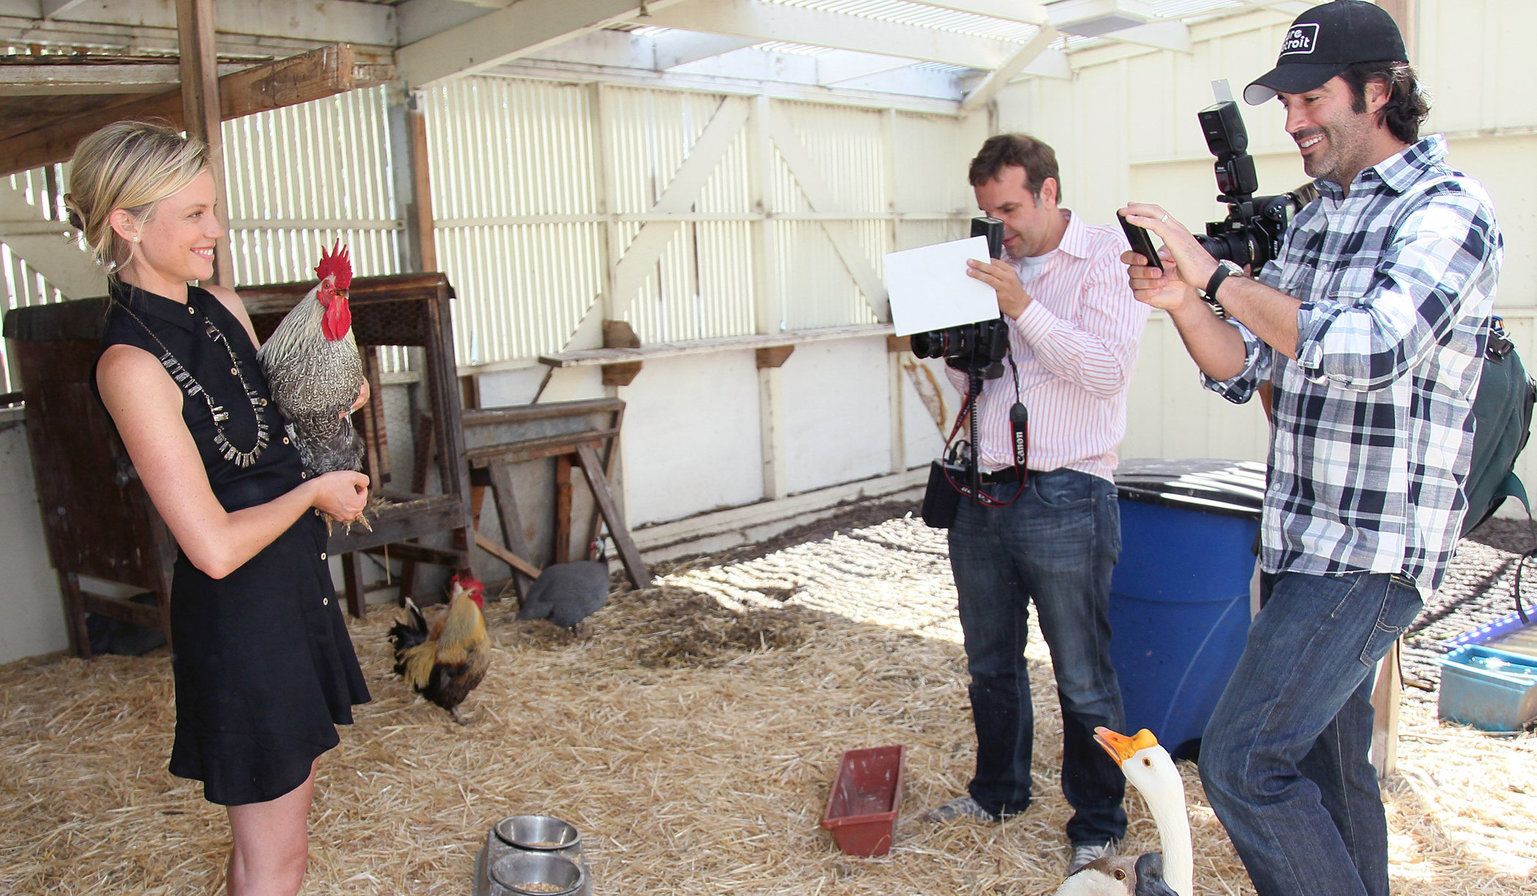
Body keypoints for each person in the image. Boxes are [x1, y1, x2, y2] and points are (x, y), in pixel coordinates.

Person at [1118, 3, 1502, 895]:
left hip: (1371, 549)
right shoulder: (1318, 217)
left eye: (1309, 98)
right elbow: (1244, 361)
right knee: (1330, 771)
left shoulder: (1448, 210)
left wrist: (1217, 275)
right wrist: (1182, 302)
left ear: (1378, 92)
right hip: (1297, 536)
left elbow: (1369, 346)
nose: (1291, 122)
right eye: (1283, 103)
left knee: (1245, 763)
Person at [67, 120, 373, 896]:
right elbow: (209, 546)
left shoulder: (223, 308)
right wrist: (313, 493)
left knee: (268, 854)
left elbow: (270, 433)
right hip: (241, 620)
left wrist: (332, 405)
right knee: (277, 861)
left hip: (291, 589)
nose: (216, 230)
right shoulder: (129, 365)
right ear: (126, 224)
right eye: (194, 214)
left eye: (213, 209)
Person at [923, 133, 1151, 875]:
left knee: (1081, 672)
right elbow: (974, 387)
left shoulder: (1108, 258)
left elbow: (1105, 372)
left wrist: (1020, 307)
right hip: (978, 487)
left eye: (1011, 208)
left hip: (1066, 491)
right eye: (988, 210)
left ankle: (1097, 819)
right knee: (989, 661)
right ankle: (997, 793)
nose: (1001, 225)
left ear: (1049, 191)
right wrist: (950, 337)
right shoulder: (987, 264)